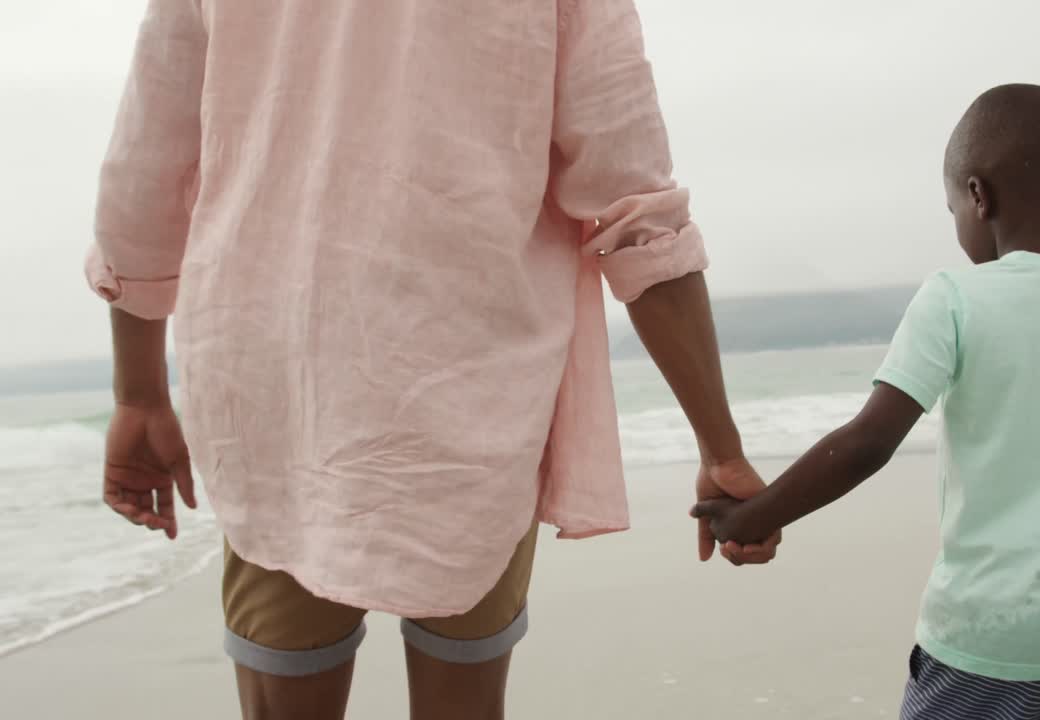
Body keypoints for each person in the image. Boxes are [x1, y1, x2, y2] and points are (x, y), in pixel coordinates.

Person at [87, 1, 778, 718]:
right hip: (470, 390)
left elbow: (147, 168)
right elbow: (635, 207)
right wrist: (719, 445)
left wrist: (139, 394)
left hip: (274, 387)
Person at [693, 84, 1040, 720]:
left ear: (978, 196)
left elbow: (868, 443)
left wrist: (754, 516)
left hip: (986, 637)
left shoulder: (955, 297)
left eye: (952, 208)